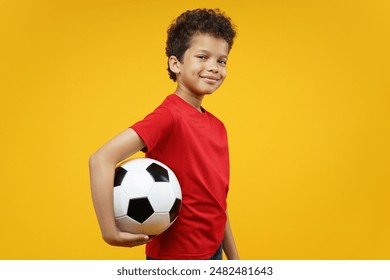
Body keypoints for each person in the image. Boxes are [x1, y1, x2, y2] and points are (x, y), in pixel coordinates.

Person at [89, 8, 239, 260]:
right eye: (202, 57)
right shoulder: (169, 116)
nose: (214, 67)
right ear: (175, 63)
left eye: (221, 60)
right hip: (175, 259)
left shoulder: (218, 127)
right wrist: (109, 231)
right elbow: (100, 159)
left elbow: (217, 204)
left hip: (213, 253)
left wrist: (233, 259)